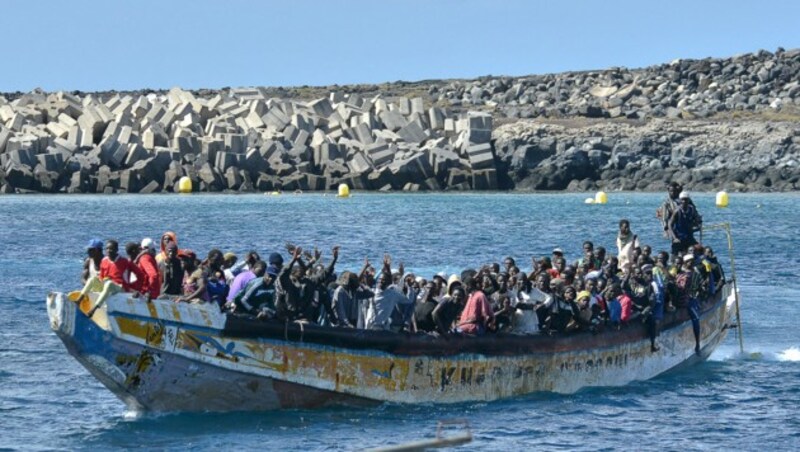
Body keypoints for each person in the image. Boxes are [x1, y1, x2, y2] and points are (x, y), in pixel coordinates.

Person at [77, 239, 145, 317]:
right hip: (107, 286)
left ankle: (94, 309)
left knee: (109, 283)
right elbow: (101, 277)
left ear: (116, 250)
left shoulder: (125, 261)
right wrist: (100, 283)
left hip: (120, 287)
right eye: (107, 249)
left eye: (111, 249)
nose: (109, 251)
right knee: (92, 279)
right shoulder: (104, 261)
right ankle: (79, 300)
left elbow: (140, 275)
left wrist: (135, 288)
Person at [275, 246, 339, 321]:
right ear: (292, 273)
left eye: (301, 270)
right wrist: (293, 260)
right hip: (290, 316)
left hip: (305, 318)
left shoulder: (309, 282)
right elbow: (283, 273)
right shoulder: (288, 283)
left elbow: (324, 274)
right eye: (298, 270)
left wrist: (334, 259)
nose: (300, 271)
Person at [364, 255, 410, 330]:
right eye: (379, 280)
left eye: (383, 281)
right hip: (371, 325)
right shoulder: (373, 291)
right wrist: (386, 267)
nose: (380, 282)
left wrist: (389, 268)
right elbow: (371, 282)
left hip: (385, 326)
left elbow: (407, 300)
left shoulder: (393, 293)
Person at [676, 253, 703, 354]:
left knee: (696, 319)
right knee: (695, 318)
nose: (690, 263)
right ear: (685, 262)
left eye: (691, 261)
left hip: (692, 298)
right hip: (683, 297)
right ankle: (697, 344)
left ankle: (697, 344)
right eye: (688, 261)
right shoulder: (680, 272)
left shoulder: (696, 273)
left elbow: (700, 286)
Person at [668, 191, 703, 256]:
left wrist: (698, 222)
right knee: (675, 255)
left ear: (688, 200)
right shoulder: (677, 211)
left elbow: (696, 220)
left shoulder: (691, 209)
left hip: (689, 237)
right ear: (680, 200)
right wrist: (675, 238)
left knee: (700, 250)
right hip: (679, 238)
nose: (684, 201)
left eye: (686, 199)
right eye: (682, 200)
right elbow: (670, 224)